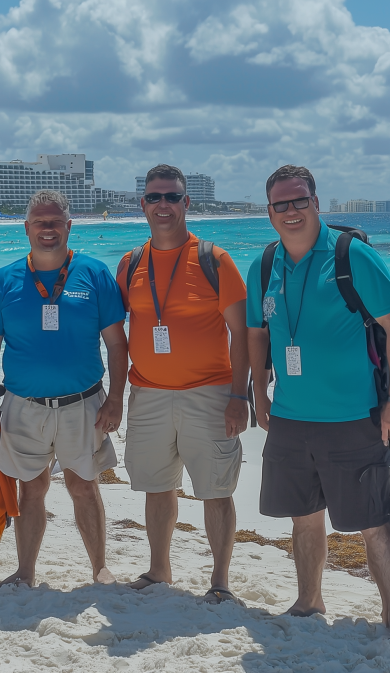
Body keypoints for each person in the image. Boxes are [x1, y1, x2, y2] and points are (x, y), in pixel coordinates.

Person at [246, 165, 390, 646]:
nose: (292, 211)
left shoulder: (351, 256)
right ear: (270, 212)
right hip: (290, 418)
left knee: (372, 523)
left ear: (317, 203)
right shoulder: (265, 263)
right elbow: (258, 333)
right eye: (281, 204)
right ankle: (309, 601)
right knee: (303, 518)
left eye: (300, 200)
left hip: (351, 418)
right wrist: (260, 394)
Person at [0, 189, 128, 587]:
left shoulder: (94, 273)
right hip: (23, 405)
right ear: (26, 228)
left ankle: (99, 568)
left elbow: (116, 343)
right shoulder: (4, 279)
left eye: (55, 221)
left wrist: (115, 399)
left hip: (84, 403)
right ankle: (25, 572)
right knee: (31, 488)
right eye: (40, 222)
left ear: (69, 227)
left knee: (84, 485)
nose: (48, 229)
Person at [117, 164, 250, 604]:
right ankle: (159, 570)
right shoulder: (131, 263)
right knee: (157, 486)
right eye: (154, 197)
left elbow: (243, 334)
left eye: (172, 197)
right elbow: (111, 332)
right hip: (149, 393)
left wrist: (239, 396)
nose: (163, 205)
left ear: (186, 203)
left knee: (216, 490)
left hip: (209, 392)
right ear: (143, 205)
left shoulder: (214, 259)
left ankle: (220, 580)